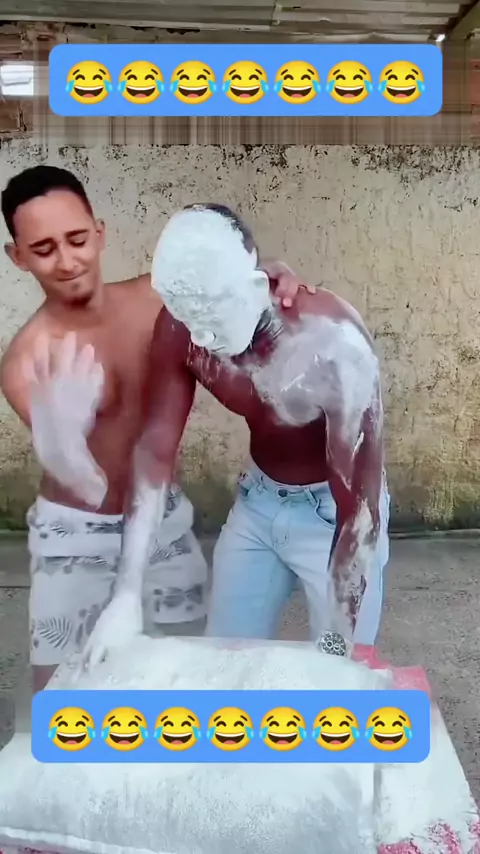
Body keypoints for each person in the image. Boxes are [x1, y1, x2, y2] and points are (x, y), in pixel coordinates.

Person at [0, 168, 308, 691]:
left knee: (184, 675)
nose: (68, 261)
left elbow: (227, 289)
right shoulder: (28, 362)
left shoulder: (158, 299)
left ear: (100, 233)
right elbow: (87, 485)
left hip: (160, 522)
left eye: (77, 239)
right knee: (59, 699)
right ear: (18, 257)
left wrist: (265, 277)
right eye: (44, 249)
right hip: (75, 536)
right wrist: (60, 437)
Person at [80, 203, 390, 670]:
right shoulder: (184, 326)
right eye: (188, 315)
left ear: (255, 288)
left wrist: (336, 646)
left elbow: (359, 515)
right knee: (222, 666)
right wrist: (126, 594)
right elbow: (155, 450)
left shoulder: (334, 348)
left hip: (335, 515)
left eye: (212, 313)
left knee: (340, 674)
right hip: (258, 505)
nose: (202, 336)